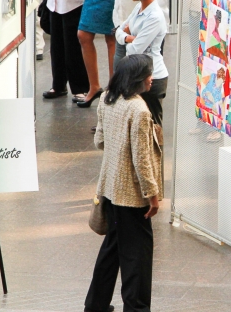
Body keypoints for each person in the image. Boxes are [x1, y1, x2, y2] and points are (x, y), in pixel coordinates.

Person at [84, 54, 162, 312]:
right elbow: (142, 160)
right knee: (137, 258)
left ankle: (95, 305)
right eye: (149, 74)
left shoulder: (108, 98)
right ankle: (136, 308)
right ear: (138, 78)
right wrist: (152, 195)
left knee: (112, 250)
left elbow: (100, 141)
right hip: (132, 195)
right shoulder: (138, 109)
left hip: (110, 187)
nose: (152, 78)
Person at [176, 0, 229, 140]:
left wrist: (218, 26)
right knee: (198, 69)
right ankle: (201, 118)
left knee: (212, 69)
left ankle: (216, 124)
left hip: (212, 19)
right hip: (194, 14)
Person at [114, 0, 168, 127]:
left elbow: (135, 50)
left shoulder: (155, 17)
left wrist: (126, 39)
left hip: (153, 77)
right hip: (137, 74)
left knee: (152, 126)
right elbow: (118, 31)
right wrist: (129, 37)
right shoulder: (139, 8)